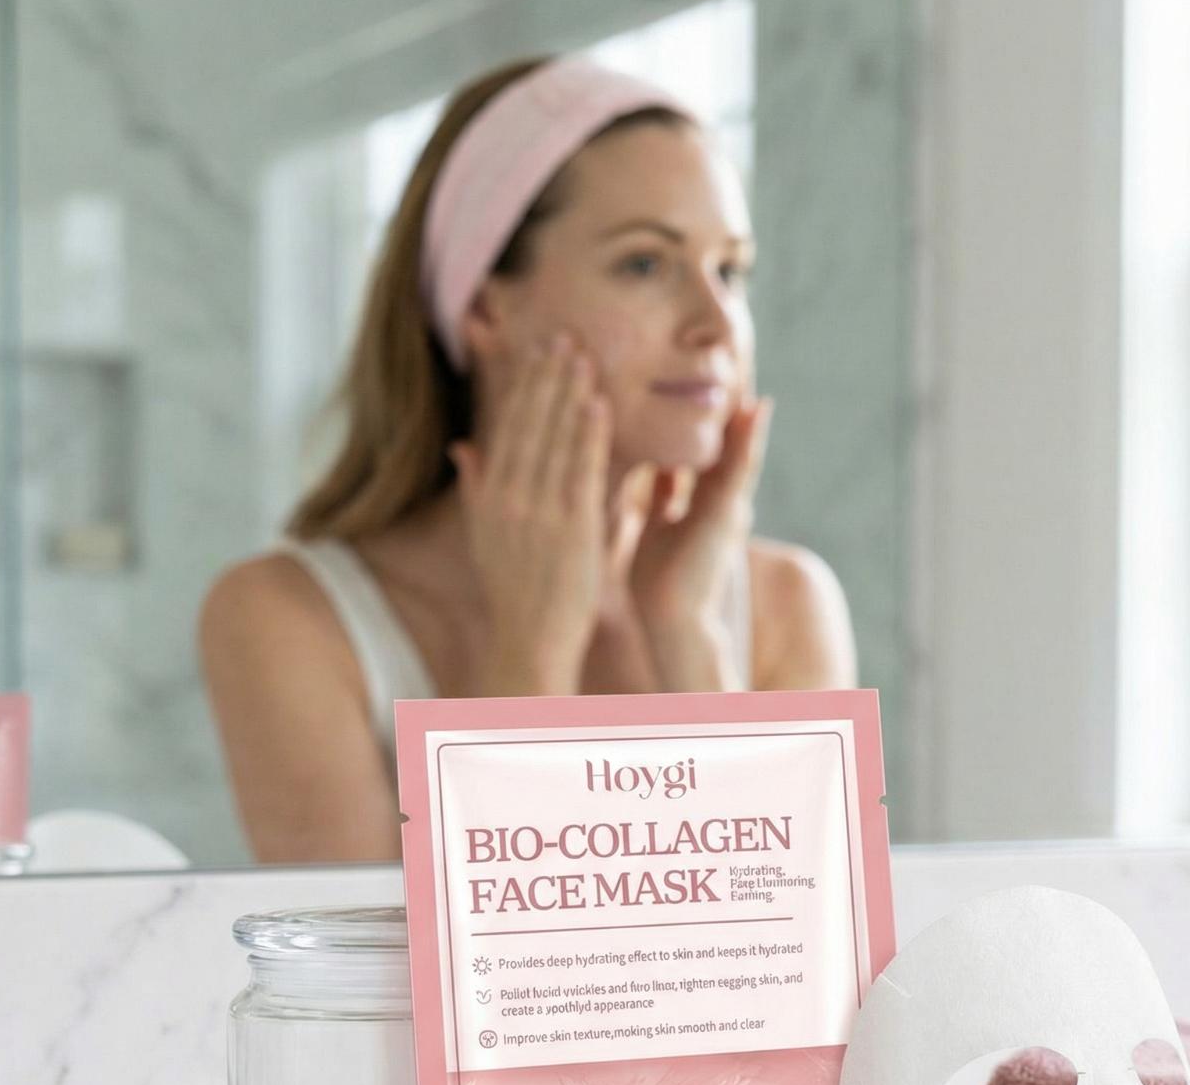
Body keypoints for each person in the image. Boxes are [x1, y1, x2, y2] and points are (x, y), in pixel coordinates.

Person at [200, 54, 856, 864]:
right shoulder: (286, 620)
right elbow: (418, 955)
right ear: (485, 305)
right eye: (645, 263)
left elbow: (802, 937)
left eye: (730, 269)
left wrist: (687, 636)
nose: (717, 324)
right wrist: (530, 652)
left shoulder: (789, 603)